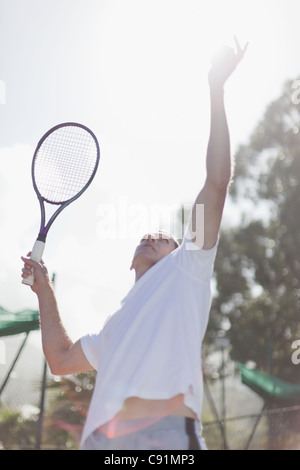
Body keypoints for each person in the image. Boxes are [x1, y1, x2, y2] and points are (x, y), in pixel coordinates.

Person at [21, 38, 247, 450]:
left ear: (180, 252)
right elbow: (59, 358)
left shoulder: (186, 270)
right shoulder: (113, 327)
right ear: (129, 263)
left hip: (166, 438)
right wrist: (44, 289)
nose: (152, 236)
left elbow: (216, 183)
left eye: (165, 238)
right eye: (147, 236)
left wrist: (217, 90)